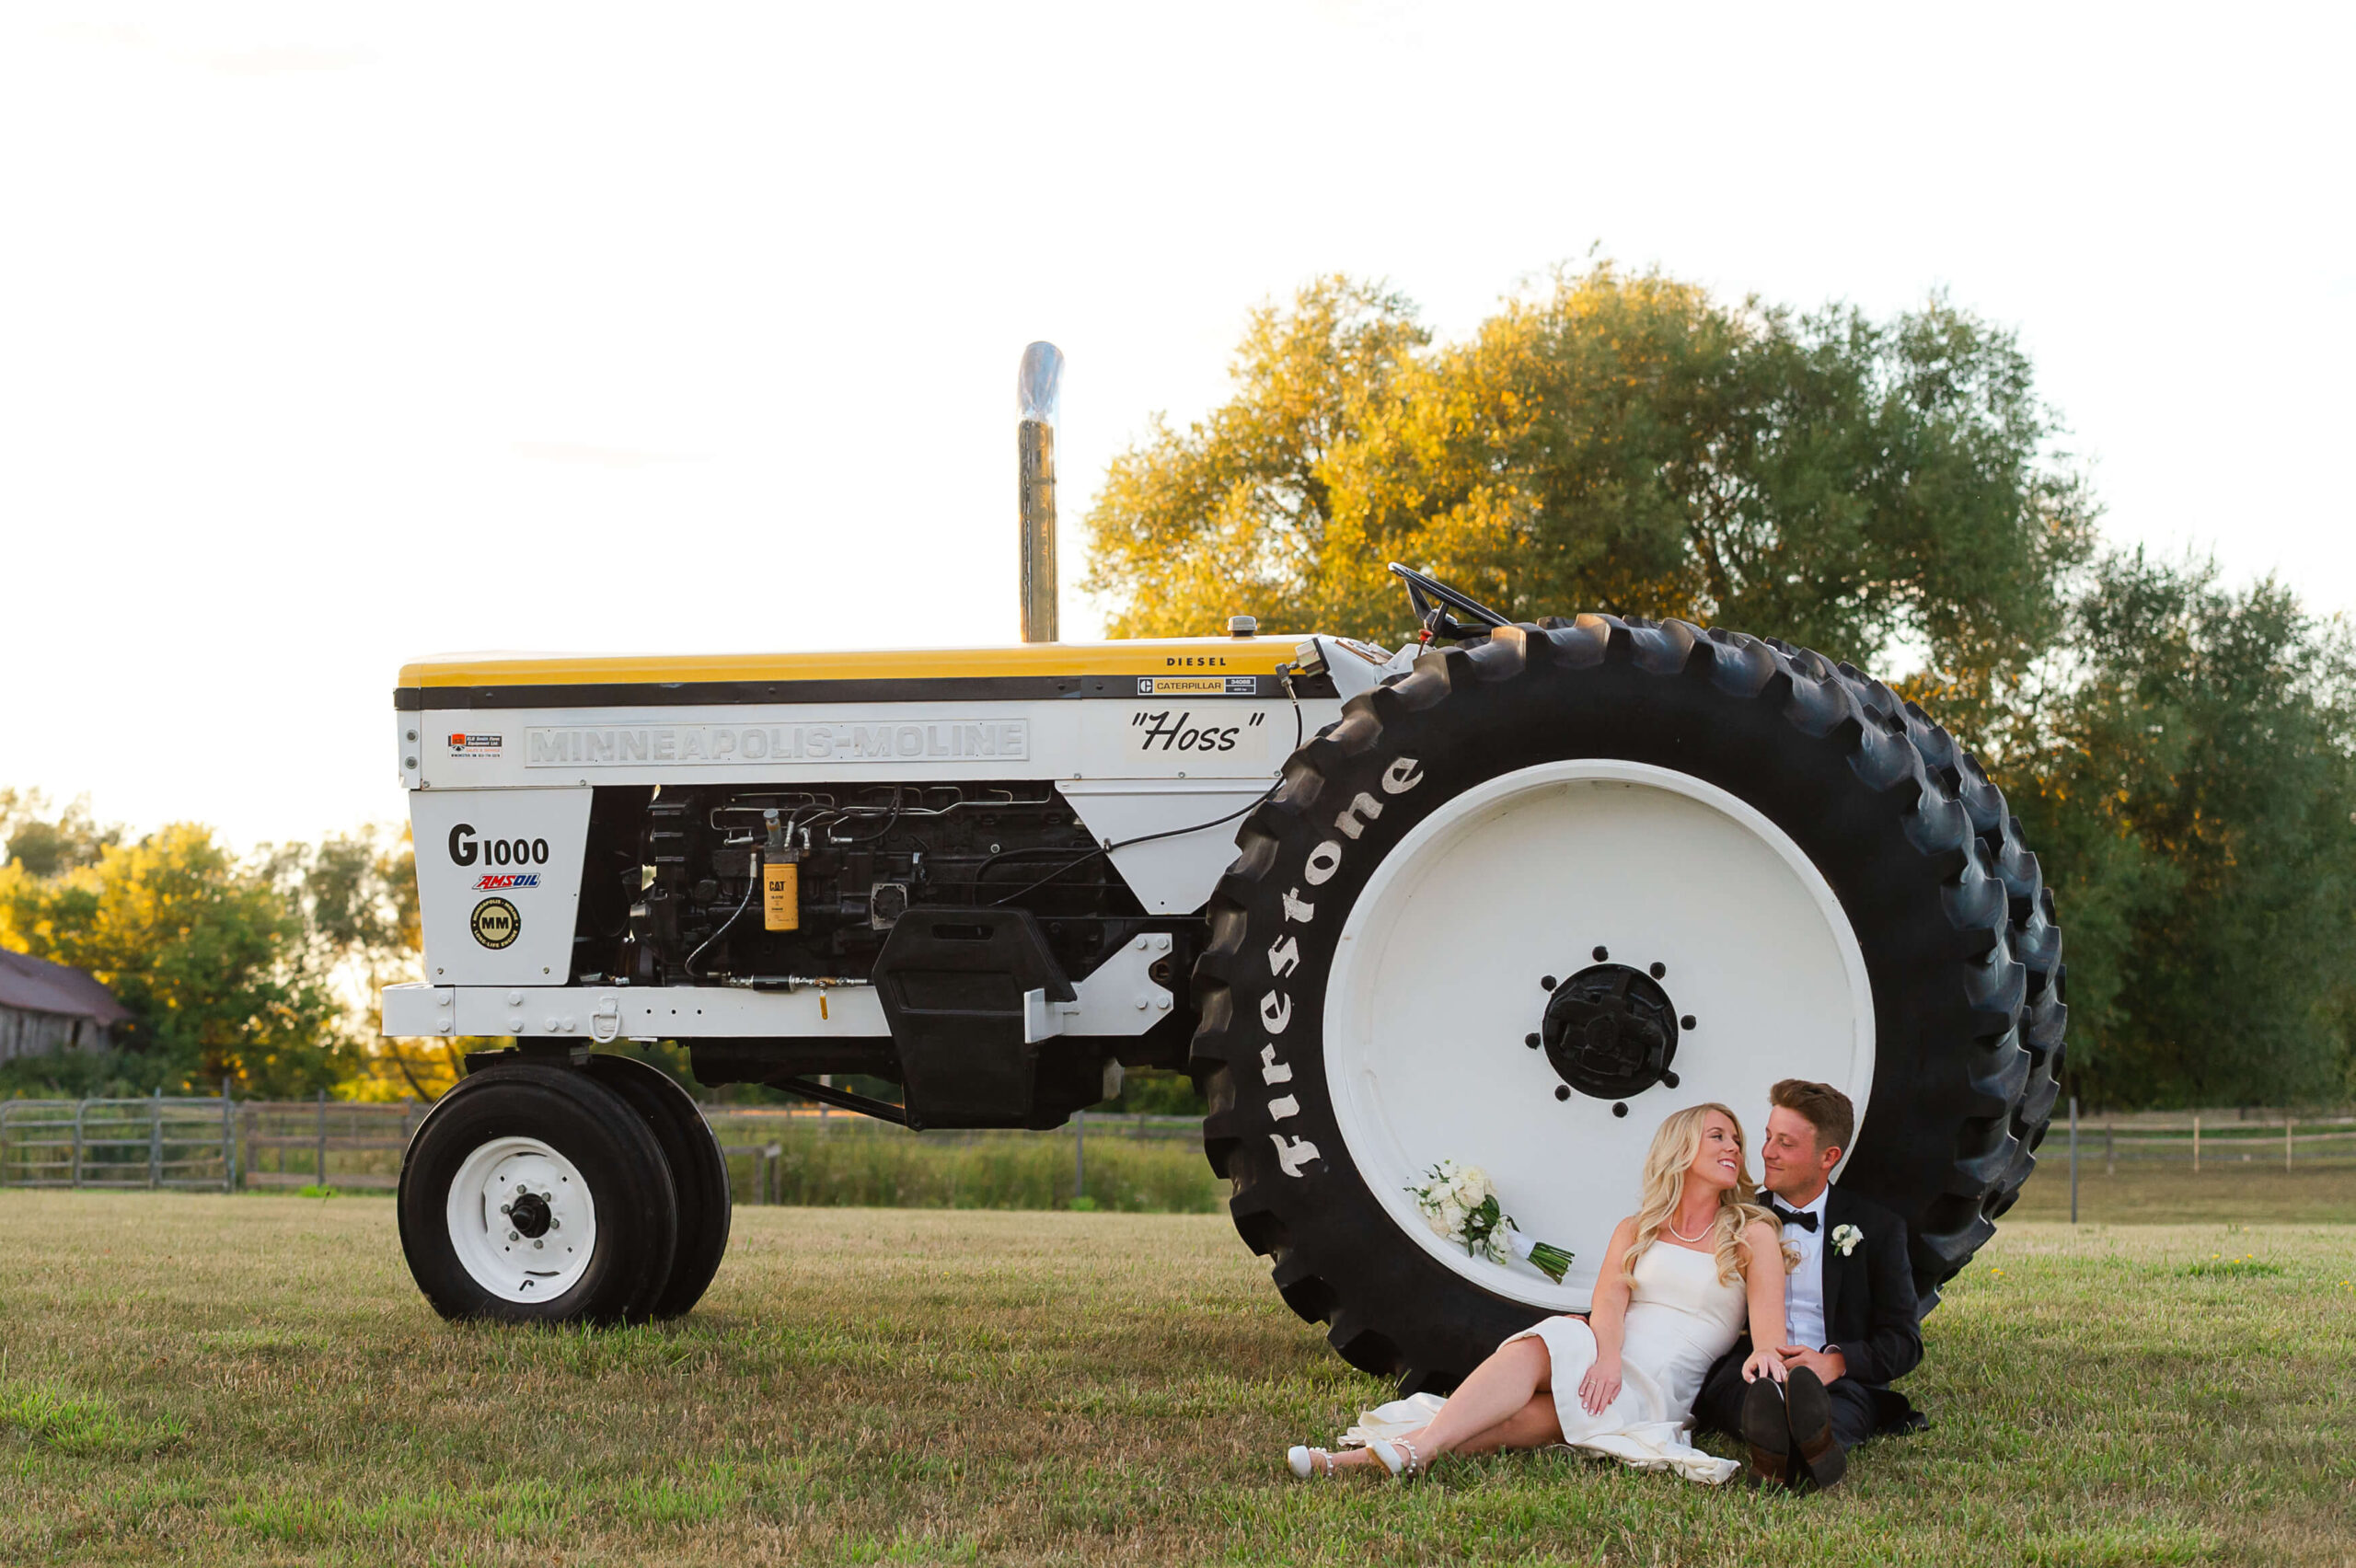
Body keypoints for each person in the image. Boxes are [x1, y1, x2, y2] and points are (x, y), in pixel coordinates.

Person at [1286, 1103, 1793, 1485]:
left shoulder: (1751, 1234)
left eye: (1737, 1141)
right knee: (1554, 1336)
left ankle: (1368, 1457)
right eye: (1718, 1136)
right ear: (1681, 1150)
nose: (1734, 1148)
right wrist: (1607, 1359)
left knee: (1525, 1420)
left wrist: (1769, 1358)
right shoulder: (1637, 1227)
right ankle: (1412, 1451)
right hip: (1606, 1353)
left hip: (1660, 1383)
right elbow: (1611, 1301)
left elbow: (1768, 1336)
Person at [1692, 1078, 1923, 1492]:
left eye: (1785, 1143)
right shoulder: (1736, 1218)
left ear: (1828, 1156)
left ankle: (1805, 1445)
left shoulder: (1878, 1228)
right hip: (1751, 1367)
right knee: (1746, 1398)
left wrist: (1834, 1363)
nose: (1766, 1152)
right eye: (1766, 1137)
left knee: (1840, 1411)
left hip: (1838, 1380)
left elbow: (1904, 1342)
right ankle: (1789, 1444)